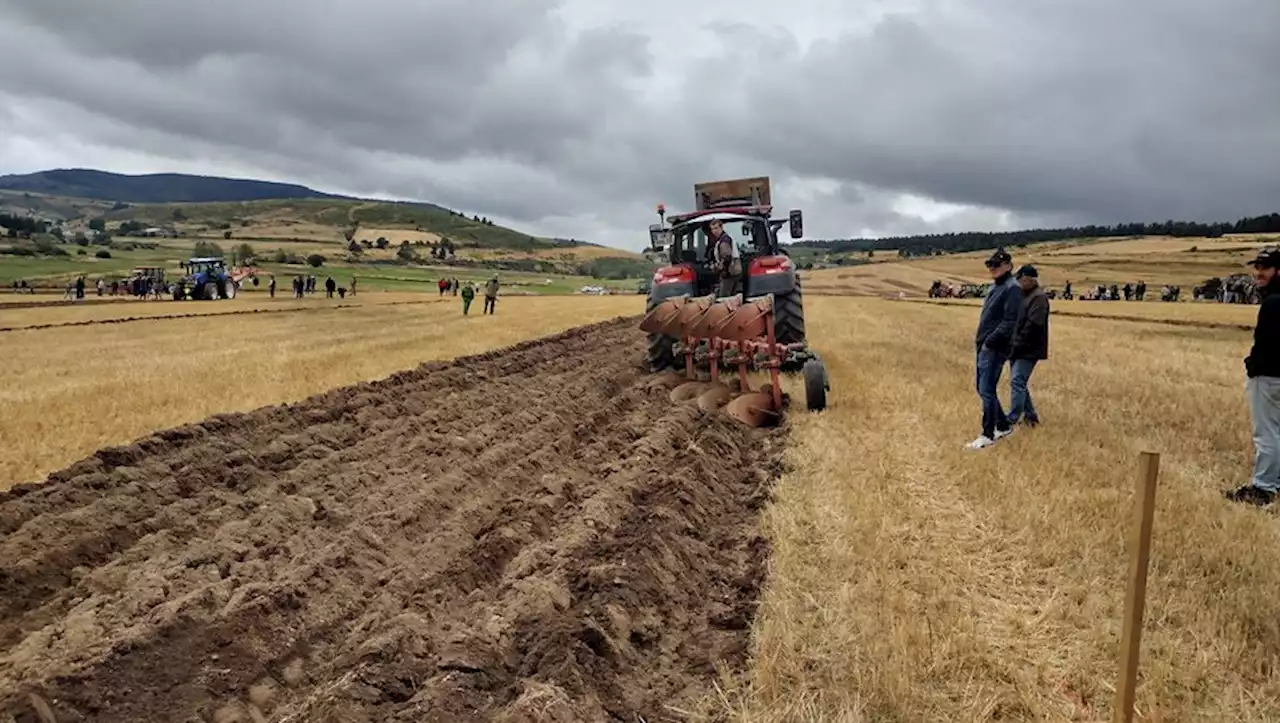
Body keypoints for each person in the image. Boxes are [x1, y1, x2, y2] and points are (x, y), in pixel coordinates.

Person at [1226, 247, 1280, 506]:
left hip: (1269, 375)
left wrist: (1253, 364)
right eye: (1257, 267)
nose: (1258, 273)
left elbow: (1267, 343)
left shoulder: (1273, 303)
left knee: (1267, 433)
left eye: (1265, 268)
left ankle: (1263, 488)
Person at [967, 248, 1022, 450]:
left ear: (1008, 265)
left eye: (997, 265)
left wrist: (990, 341)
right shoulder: (996, 287)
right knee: (983, 388)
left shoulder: (1012, 288)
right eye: (990, 265)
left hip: (994, 347)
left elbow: (1009, 321)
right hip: (984, 345)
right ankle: (1003, 424)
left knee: (986, 389)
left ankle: (987, 433)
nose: (992, 268)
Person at [1008, 265, 1049, 427]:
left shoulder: (1038, 298)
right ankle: (1030, 417)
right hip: (1017, 346)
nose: (1018, 282)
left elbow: (1033, 326)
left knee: (1017, 381)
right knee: (1019, 382)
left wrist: (1017, 344)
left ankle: (1012, 418)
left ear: (1029, 279)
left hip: (1029, 348)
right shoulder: (1024, 295)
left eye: (1020, 279)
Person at [707, 218, 743, 297]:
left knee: (724, 298)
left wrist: (719, 268)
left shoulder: (724, 240)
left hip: (729, 273)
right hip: (734, 271)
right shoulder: (723, 239)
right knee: (732, 296)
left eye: (716, 228)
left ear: (721, 227)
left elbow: (726, 256)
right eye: (712, 229)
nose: (714, 231)